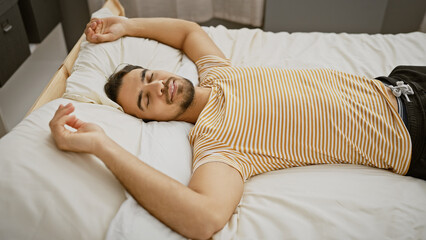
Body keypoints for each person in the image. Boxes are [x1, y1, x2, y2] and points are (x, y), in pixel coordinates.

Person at [49, 16, 426, 239]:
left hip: (400, 81)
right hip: (415, 131)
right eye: (146, 99)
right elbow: (204, 216)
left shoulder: (218, 73)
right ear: (151, 121)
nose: (158, 86)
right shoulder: (217, 144)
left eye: (150, 76)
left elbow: (187, 33)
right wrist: (103, 146)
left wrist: (128, 25)